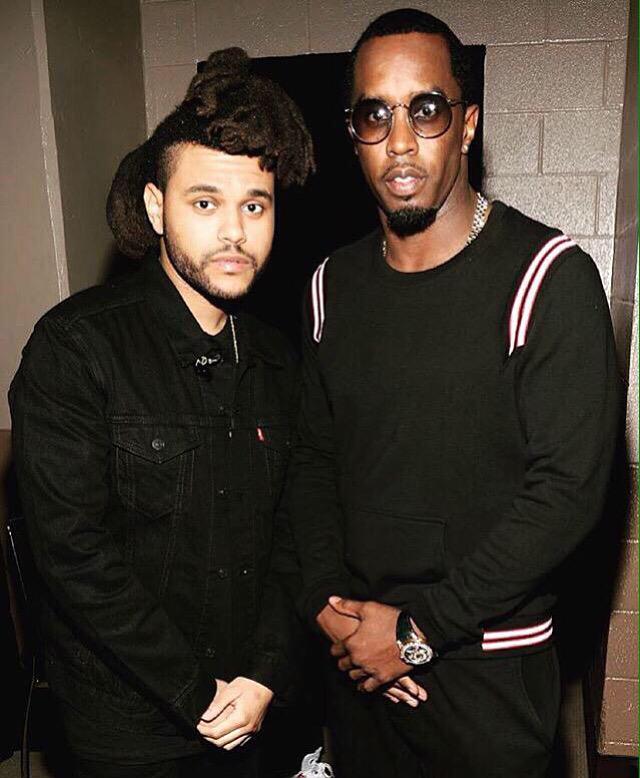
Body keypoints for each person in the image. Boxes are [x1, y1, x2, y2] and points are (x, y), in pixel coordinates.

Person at [288, 9, 622, 777]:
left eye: (426, 109)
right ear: (353, 133)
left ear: (467, 125)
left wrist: (416, 631)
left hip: (484, 675)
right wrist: (329, 610)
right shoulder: (330, 284)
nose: (400, 140)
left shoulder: (547, 277)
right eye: (375, 114)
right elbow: (311, 461)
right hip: (359, 672)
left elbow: (568, 492)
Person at [9, 48, 314, 778]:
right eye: (204, 203)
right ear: (157, 208)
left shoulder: (281, 361)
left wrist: (266, 674)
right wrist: (197, 693)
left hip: (255, 711)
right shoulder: (76, 347)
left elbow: (300, 532)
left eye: (255, 205)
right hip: (130, 730)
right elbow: (74, 555)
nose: (234, 232)